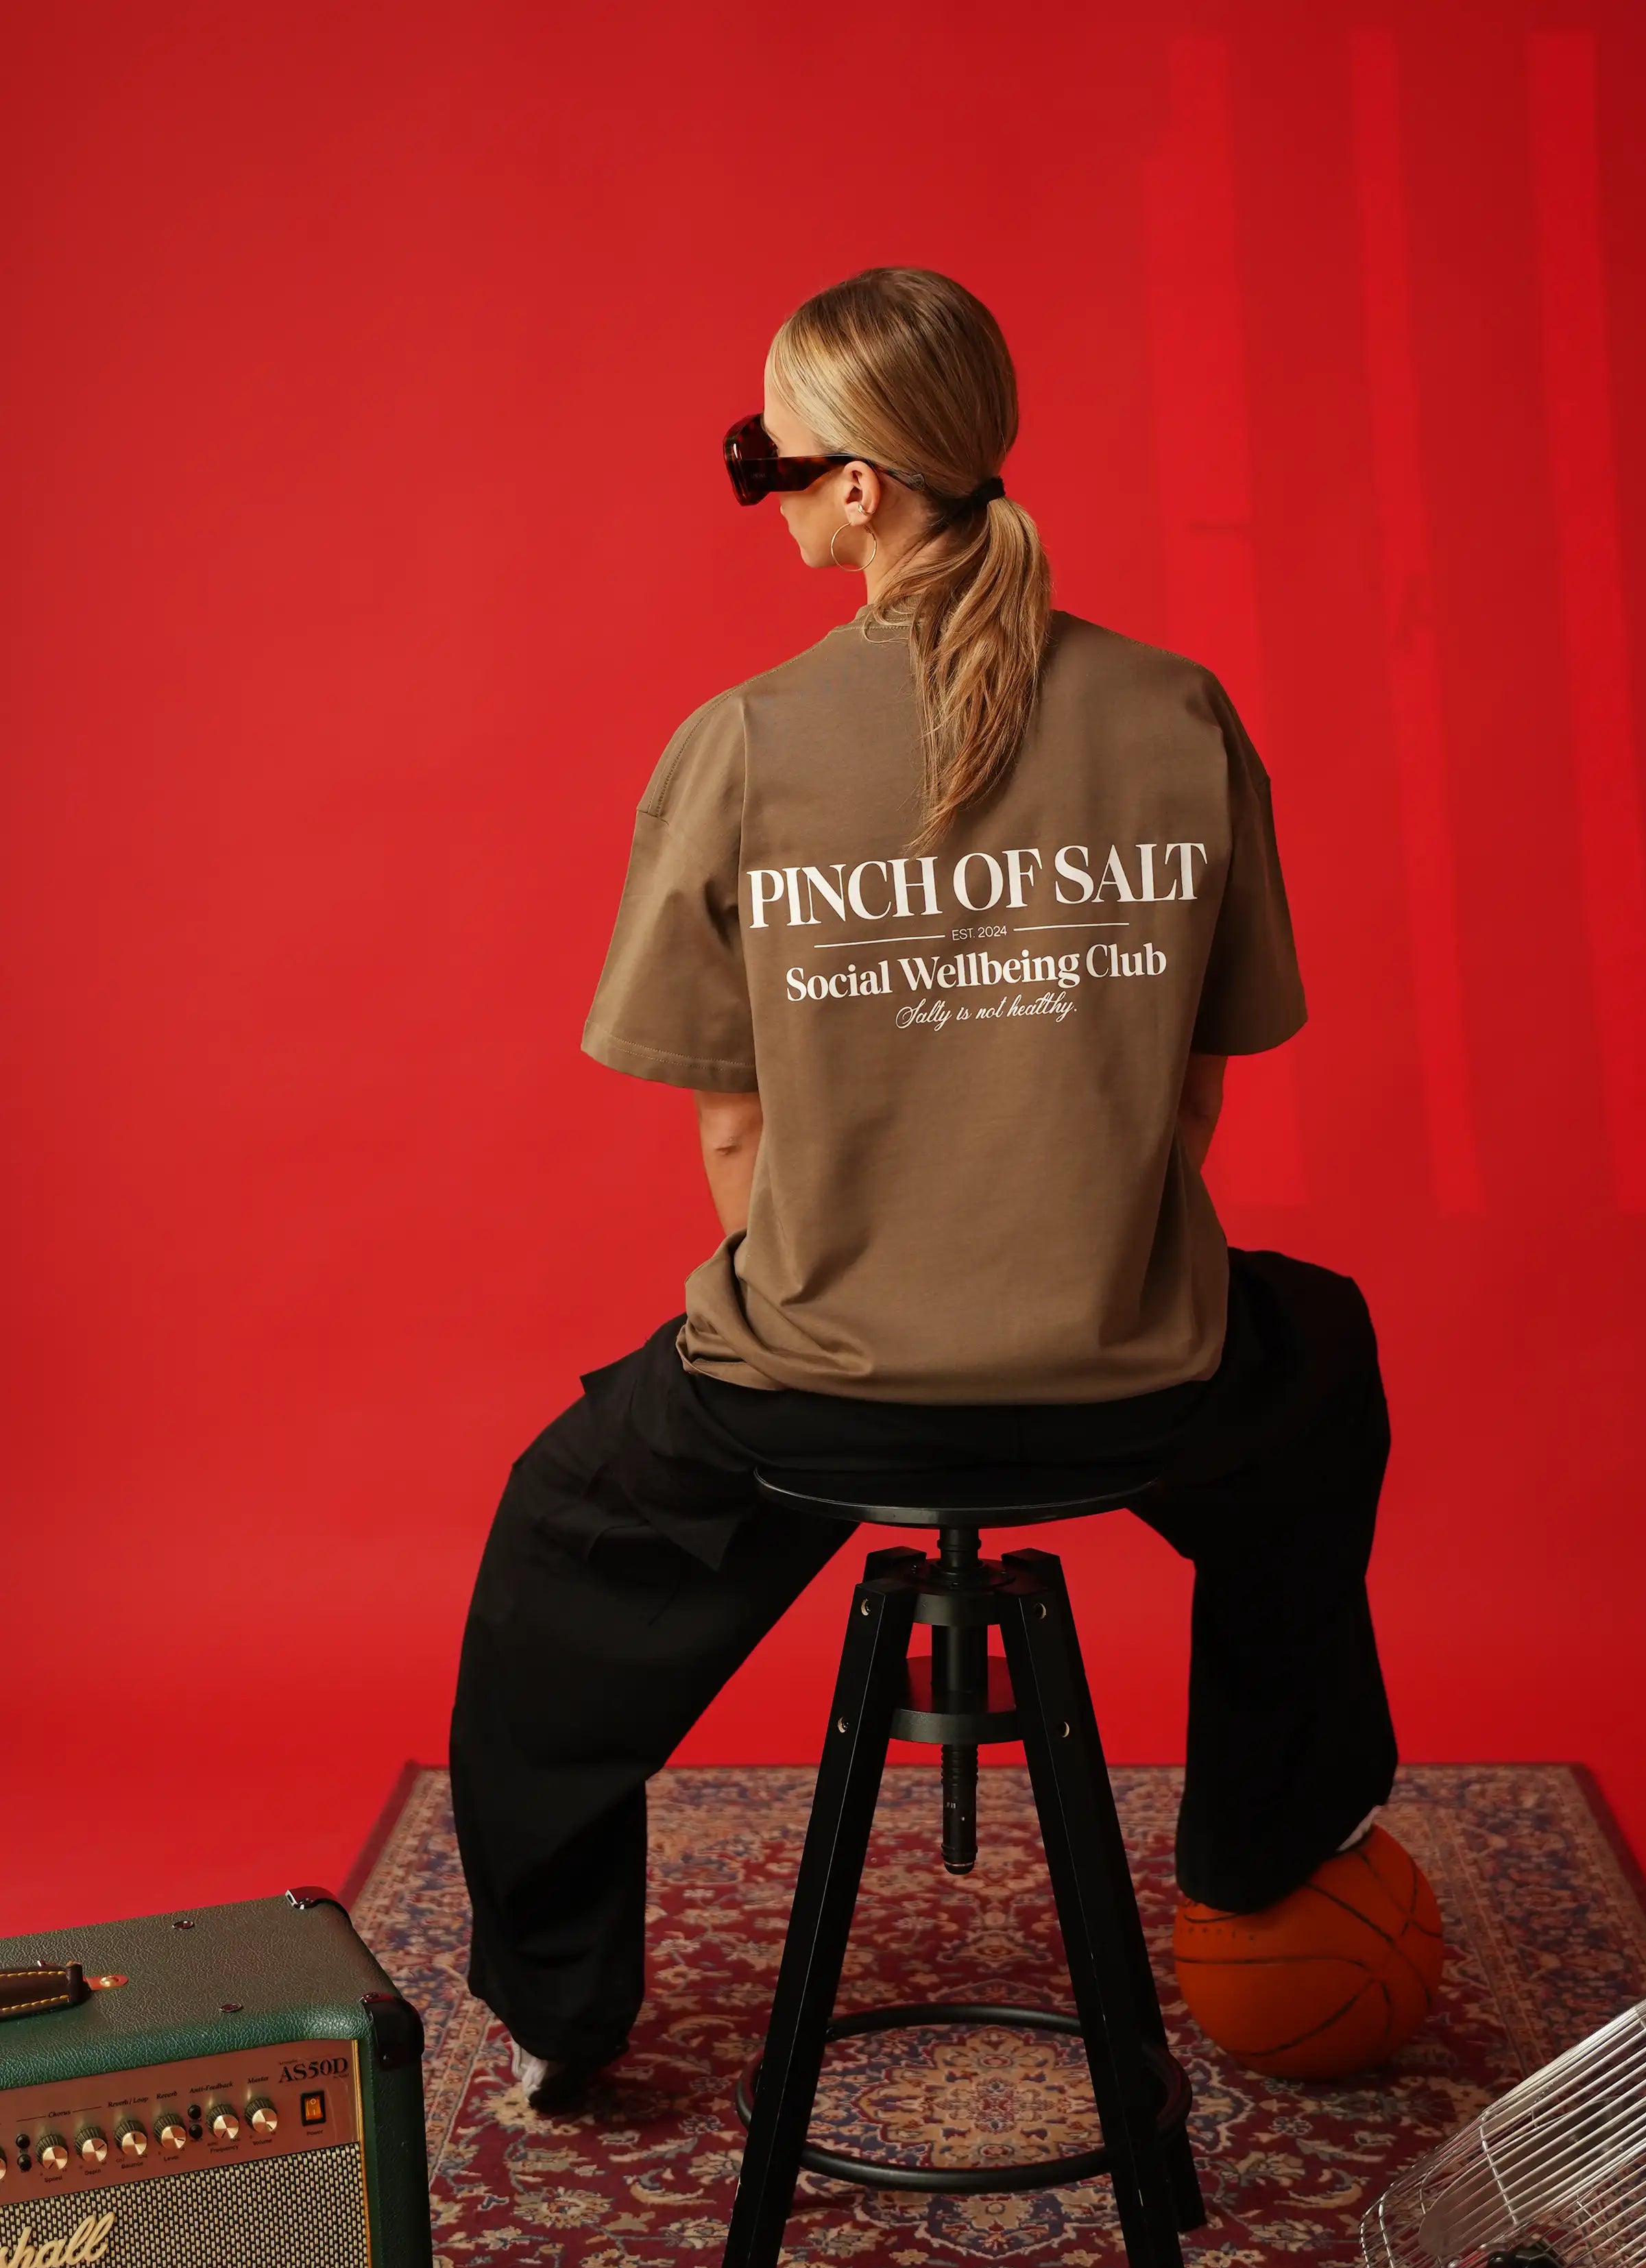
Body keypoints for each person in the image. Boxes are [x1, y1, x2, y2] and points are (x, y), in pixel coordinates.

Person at [448, 267, 1398, 2114]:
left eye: (766, 458)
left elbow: (733, 1140)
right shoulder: (1179, 712)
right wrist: (1076, 1266)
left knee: (559, 1541)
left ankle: (562, 2011)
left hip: (818, 1388)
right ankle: (1260, 1848)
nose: (761, 490)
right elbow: (1192, 1091)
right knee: (1322, 1356)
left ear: (864, 487)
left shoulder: (742, 742)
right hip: (1138, 1383)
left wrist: (857, 1297)